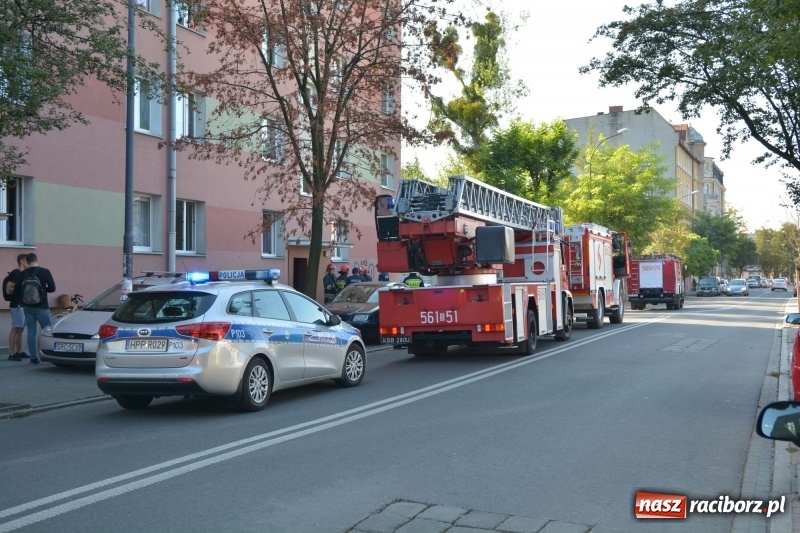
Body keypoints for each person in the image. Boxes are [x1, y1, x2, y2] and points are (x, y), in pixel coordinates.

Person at [18, 253, 56, 365]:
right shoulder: (45, 272)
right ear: (36, 260)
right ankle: (51, 354)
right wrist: (43, 290)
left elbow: (18, 290)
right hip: (41, 306)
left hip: (27, 307)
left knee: (31, 332)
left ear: (27, 261)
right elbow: (53, 288)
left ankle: (33, 357)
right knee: (48, 331)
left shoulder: (23, 273)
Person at [4, 254, 29, 361]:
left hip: (22, 304)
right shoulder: (15, 273)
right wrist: (21, 289)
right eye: (27, 261)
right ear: (22, 261)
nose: (29, 263)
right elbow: (8, 290)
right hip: (17, 305)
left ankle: (19, 352)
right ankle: (12, 354)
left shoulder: (23, 274)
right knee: (15, 329)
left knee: (20, 329)